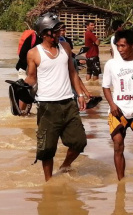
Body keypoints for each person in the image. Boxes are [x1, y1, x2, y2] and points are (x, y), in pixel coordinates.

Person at [25, 12, 87, 181]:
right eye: (56, 31)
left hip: (69, 103)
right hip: (47, 106)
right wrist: (21, 88)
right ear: (45, 33)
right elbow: (31, 78)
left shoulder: (65, 47)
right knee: (46, 148)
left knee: (79, 142)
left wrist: (80, 94)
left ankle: (66, 164)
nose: (60, 33)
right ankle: (49, 182)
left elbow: (72, 72)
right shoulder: (33, 53)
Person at [102, 29, 133, 180]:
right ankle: (121, 182)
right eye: (117, 46)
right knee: (118, 145)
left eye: (123, 46)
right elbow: (105, 87)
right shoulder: (111, 64)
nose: (120, 49)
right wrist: (112, 105)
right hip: (118, 110)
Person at [16, 29, 42, 115]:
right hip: (24, 69)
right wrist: (32, 63)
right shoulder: (32, 38)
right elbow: (22, 54)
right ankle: (21, 114)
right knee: (25, 93)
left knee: (32, 93)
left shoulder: (47, 41)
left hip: (37, 71)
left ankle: (27, 113)